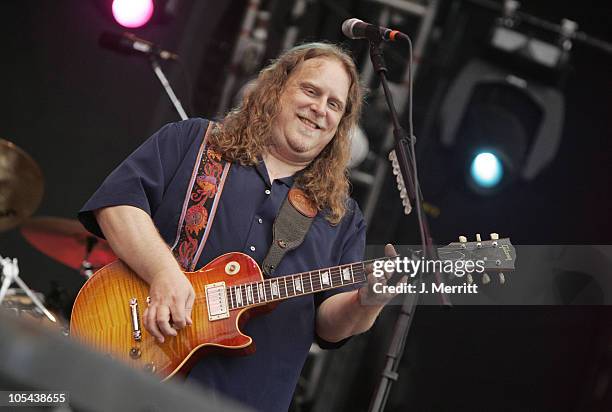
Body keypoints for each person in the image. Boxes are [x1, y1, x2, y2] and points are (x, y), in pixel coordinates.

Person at [79, 42, 398, 412]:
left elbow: (330, 325)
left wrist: (367, 301)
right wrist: (164, 273)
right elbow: (117, 204)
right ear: (276, 88)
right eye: (311, 91)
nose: (319, 109)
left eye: (334, 105)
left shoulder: (340, 217)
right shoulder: (194, 141)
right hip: (134, 365)